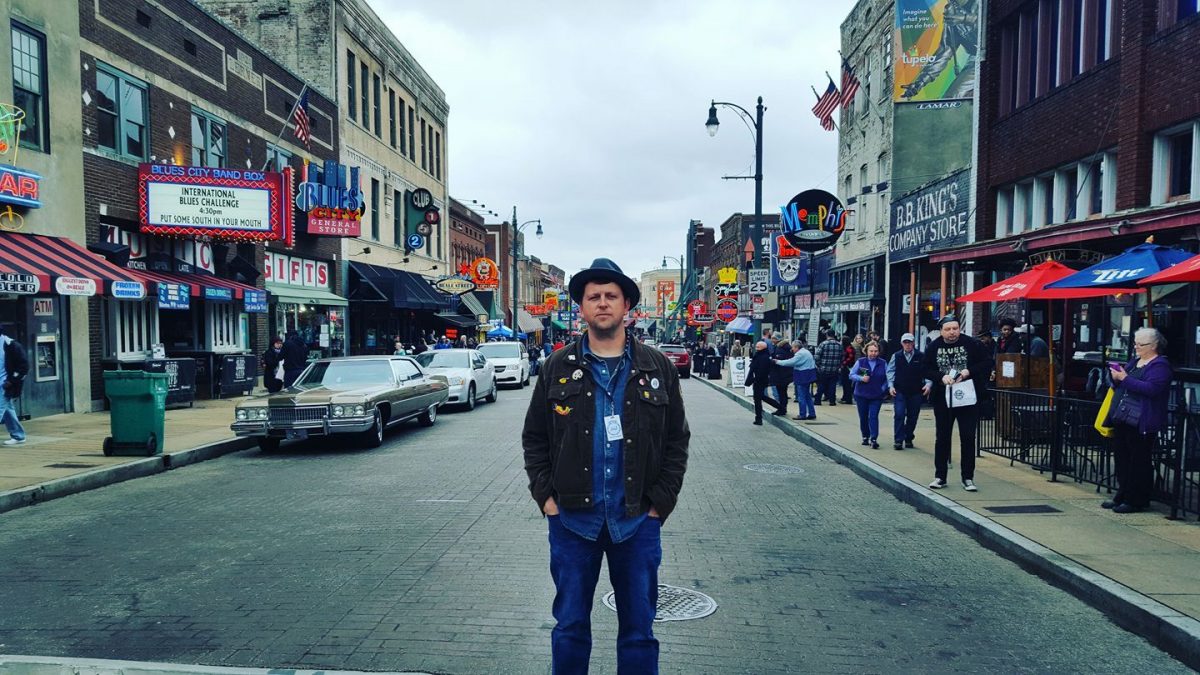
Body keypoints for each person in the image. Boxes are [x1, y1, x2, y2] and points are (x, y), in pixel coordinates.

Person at [523, 258, 689, 673]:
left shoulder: (657, 367)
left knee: (639, 631)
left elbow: (676, 440)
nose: (602, 303)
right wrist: (545, 497)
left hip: (637, 520)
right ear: (581, 307)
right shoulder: (557, 366)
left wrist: (660, 503)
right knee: (570, 627)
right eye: (593, 296)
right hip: (572, 521)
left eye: (611, 296)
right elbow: (535, 438)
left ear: (626, 306)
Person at [922, 315, 993, 492]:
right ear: (941, 331)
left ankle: (968, 477)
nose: (952, 332)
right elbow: (924, 368)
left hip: (968, 397)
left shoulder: (972, 344)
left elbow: (987, 362)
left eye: (955, 328)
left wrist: (969, 371)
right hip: (943, 399)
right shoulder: (934, 347)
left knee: (968, 437)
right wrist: (940, 376)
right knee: (942, 437)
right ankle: (940, 476)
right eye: (948, 329)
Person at [1106, 328, 1173, 514]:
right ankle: (1122, 494)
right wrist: (1116, 378)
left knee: (1138, 461)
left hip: (1142, 419)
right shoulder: (1135, 362)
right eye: (1135, 343)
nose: (1136, 347)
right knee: (1122, 458)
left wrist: (1125, 378)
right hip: (1123, 416)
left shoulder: (1160, 366)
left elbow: (1152, 389)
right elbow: (1121, 384)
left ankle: (1136, 500)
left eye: (1141, 344)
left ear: (1153, 346)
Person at [887, 333, 931, 450]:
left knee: (913, 416)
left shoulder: (921, 356)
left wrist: (928, 384)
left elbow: (927, 371)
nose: (907, 345)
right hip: (900, 390)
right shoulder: (896, 356)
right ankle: (898, 440)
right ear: (901, 343)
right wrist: (890, 386)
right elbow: (890, 371)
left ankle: (908, 437)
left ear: (913, 343)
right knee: (899, 414)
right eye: (905, 342)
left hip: (916, 391)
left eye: (909, 342)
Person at [852, 341, 888, 448]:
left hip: (876, 395)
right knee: (863, 416)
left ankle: (873, 438)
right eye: (871, 351)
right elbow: (852, 374)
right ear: (866, 351)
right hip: (862, 394)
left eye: (876, 351)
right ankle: (865, 436)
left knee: (873, 416)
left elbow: (888, 377)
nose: (873, 353)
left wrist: (883, 388)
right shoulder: (861, 362)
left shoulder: (883, 363)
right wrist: (861, 378)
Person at [774, 340, 818, 421]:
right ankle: (812, 413)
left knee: (801, 397)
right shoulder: (806, 352)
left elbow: (791, 362)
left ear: (797, 347)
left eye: (793, 347)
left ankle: (802, 414)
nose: (792, 349)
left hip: (802, 376)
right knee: (807, 396)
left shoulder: (800, 354)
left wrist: (777, 361)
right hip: (808, 375)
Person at [0, 324, 28, 445]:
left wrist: (11, 381)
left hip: (5, 385)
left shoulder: (11, 345)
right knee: (8, 411)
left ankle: (18, 435)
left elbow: (23, 366)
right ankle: (18, 436)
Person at [745, 340, 782, 425]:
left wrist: (755, 379)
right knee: (760, 397)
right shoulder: (760, 355)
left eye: (758, 347)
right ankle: (779, 407)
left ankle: (759, 418)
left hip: (760, 380)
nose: (756, 348)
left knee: (758, 399)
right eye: (756, 347)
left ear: (763, 348)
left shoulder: (764, 356)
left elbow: (762, 370)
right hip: (759, 380)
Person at [815, 331, 842, 406]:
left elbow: (817, 356)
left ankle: (817, 401)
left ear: (827, 335)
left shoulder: (823, 344)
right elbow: (842, 356)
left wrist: (819, 365)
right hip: (835, 369)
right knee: (832, 386)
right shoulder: (839, 345)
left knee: (821, 385)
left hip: (823, 368)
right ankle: (832, 401)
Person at [769, 339, 793, 416]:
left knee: (781, 393)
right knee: (783, 392)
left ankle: (782, 409)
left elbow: (778, 360)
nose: (772, 340)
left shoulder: (780, 349)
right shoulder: (786, 348)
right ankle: (783, 408)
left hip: (780, 375)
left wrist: (772, 361)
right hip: (785, 374)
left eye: (773, 338)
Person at [839, 335, 857, 404]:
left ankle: (848, 398)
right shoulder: (848, 348)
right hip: (847, 367)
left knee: (847, 384)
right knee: (845, 384)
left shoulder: (849, 348)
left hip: (847, 368)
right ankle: (845, 397)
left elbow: (849, 358)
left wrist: (843, 363)